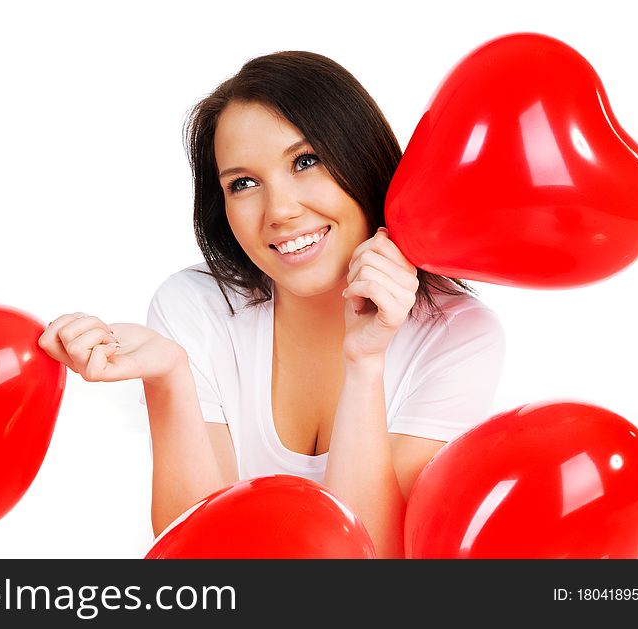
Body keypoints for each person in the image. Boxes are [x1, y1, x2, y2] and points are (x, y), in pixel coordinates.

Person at [38, 51, 506, 558]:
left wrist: (365, 362)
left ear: (362, 156)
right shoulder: (194, 307)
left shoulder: (457, 334)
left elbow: (371, 566)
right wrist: (170, 377)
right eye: (243, 183)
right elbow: (196, 569)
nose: (280, 211)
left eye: (305, 162)